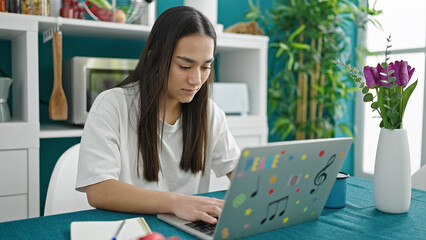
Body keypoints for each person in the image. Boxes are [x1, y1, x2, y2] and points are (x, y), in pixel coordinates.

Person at [76, 6, 240, 225]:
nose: (196, 80)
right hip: (130, 229)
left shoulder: (210, 114)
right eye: (184, 66)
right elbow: (99, 190)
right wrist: (175, 202)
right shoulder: (112, 105)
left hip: (187, 229)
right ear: (155, 60)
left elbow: (241, 174)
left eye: (205, 67)